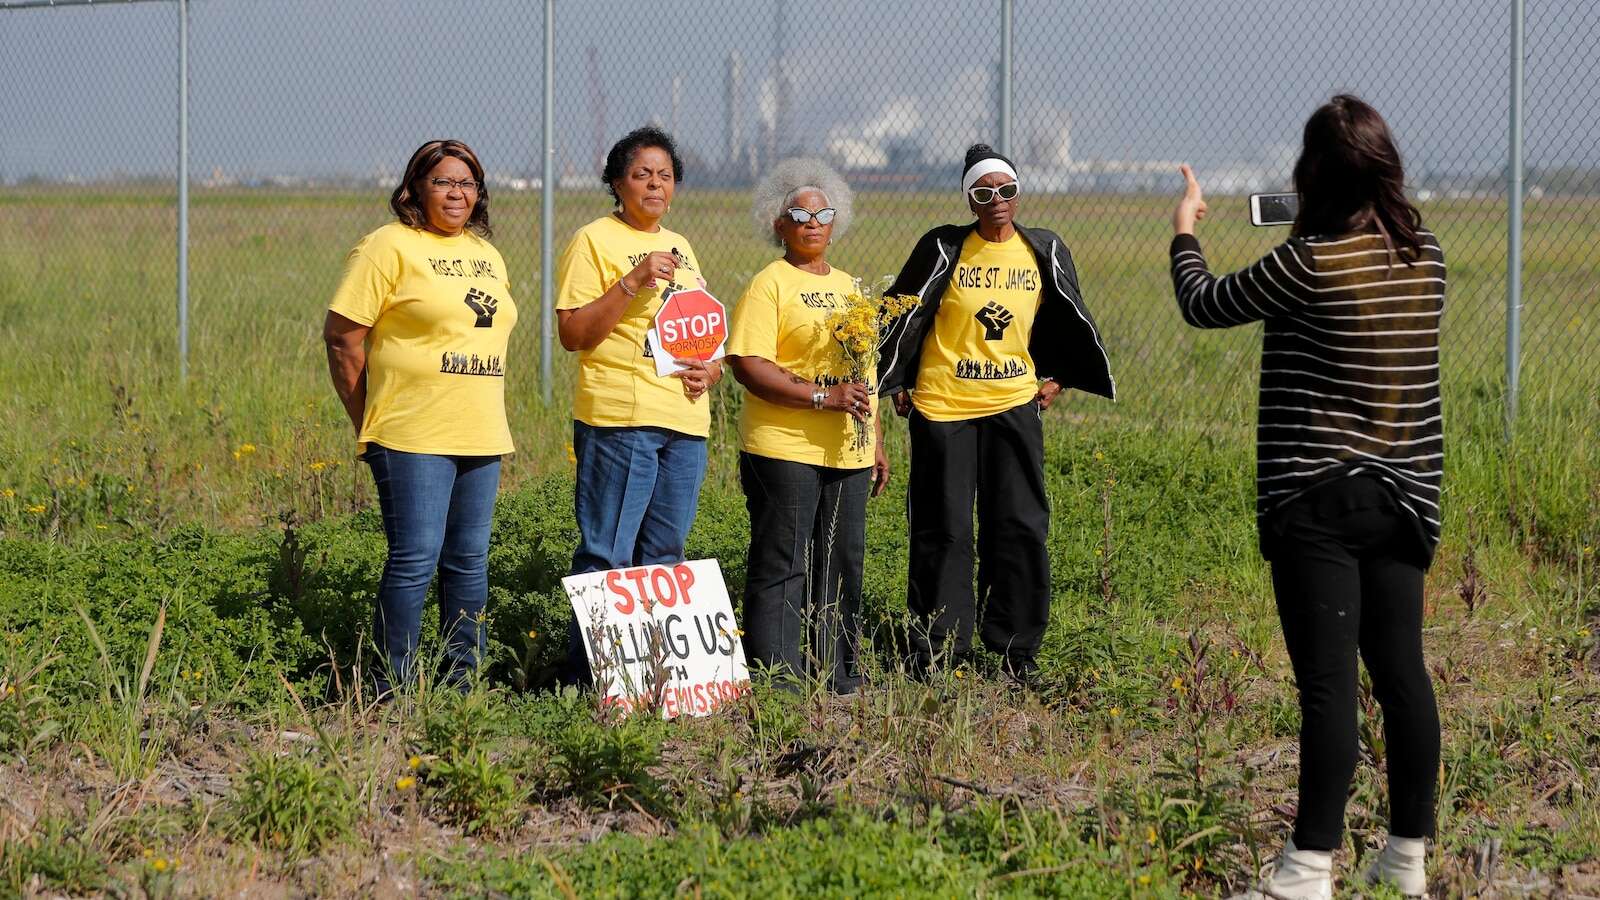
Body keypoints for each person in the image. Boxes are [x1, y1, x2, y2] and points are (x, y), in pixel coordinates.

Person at [1168, 95, 1444, 900]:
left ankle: (1306, 871)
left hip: (1317, 499)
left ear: (1314, 175)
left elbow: (1204, 302)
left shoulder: (1308, 262)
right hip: (1405, 497)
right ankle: (1405, 861)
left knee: (1327, 687)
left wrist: (1186, 226)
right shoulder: (1424, 254)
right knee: (1403, 678)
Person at [876, 143, 1115, 684]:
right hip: (943, 407)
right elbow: (901, 308)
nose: (997, 200)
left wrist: (1058, 375)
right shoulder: (943, 247)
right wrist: (898, 378)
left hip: (1013, 405)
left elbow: (1065, 314)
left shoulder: (1043, 248)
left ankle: (1016, 650)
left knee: (1020, 526)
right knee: (945, 530)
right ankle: (939, 651)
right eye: (984, 193)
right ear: (970, 200)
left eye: (1006, 190)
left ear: (1018, 193)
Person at [323, 139, 517, 697]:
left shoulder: (487, 254)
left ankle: (463, 690)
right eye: (443, 182)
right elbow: (343, 338)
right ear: (414, 189)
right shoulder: (388, 247)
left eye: (468, 183)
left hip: (480, 432)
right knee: (414, 561)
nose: (457, 193)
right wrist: (370, 417)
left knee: (470, 564)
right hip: (411, 434)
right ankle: (392, 691)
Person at [554, 126, 720, 682]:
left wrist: (710, 367)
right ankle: (587, 683)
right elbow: (574, 334)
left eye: (665, 175)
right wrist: (631, 281)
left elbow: (699, 330)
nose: (655, 184)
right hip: (623, 418)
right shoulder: (594, 240)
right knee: (608, 554)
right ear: (617, 181)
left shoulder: (683, 247)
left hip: (684, 420)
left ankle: (651, 682)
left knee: (665, 555)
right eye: (642, 173)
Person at [725, 158, 884, 692]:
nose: (813, 223)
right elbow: (748, 364)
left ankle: (837, 674)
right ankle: (778, 682)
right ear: (779, 223)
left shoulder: (850, 287)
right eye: (800, 213)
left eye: (823, 214)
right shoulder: (769, 283)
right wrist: (822, 396)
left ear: (837, 222)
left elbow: (866, 373)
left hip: (847, 452)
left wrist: (876, 441)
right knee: (785, 560)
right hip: (784, 445)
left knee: (842, 562)